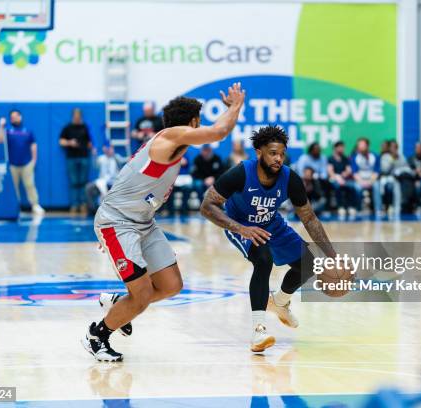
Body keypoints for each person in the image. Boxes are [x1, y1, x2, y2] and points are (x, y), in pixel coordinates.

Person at [82, 82, 246, 362]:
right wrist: (235, 106)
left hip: (142, 221)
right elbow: (219, 132)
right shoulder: (171, 137)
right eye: (199, 122)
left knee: (171, 285)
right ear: (192, 122)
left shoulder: (171, 143)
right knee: (142, 295)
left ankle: (118, 302)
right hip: (118, 223)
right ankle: (98, 334)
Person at [200, 125, 339, 352]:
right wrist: (241, 229)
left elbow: (309, 218)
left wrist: (333, 256)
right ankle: (258, 331)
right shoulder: (241, 173)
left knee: (310, 264)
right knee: (263, 260)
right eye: (273, 153)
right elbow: (207, 206)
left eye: (282, 154)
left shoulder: (290, 178)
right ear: (259, 153)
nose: (278, 159)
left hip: (272, 224)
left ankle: (281, 302)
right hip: (240, 225)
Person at [0, 109, 45, 215]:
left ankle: (35, 205)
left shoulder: (28, 131)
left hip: (27, 163)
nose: (14, 118)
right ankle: (16, 206)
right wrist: (1, 126)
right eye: (12, 117)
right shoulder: (8, 130)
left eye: (16, 116)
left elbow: (33, 145)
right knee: (14, 187)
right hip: (12, 164)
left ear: (20, 117)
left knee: (30, 184)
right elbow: (0, 140)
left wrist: (34, 160)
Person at [59, 108, 93, 214]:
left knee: (83, 182)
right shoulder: (67, 127)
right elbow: (61, 141)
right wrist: (70, 142)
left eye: (79, 115)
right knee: (74, 182)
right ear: (73, 116)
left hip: (84, 157)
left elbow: (89, 141)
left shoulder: (85, 127)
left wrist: (91, 147)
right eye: (76, 115)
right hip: (71, 158)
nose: (77, 117)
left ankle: (83, 204)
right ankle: (74, 205)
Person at [85, 142, 122, 215]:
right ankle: (93, 210)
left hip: (114, 182)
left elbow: (121, 166)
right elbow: (95, 165)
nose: (108, 150)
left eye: (110, 148)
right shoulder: (101, 158)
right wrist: (94, 155)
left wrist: (113, 154)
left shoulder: (117, 157)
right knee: (88, 187)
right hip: (102, 182)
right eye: (107, 148)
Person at [351, 137, 382, 215]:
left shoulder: (375, 156)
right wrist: (362, 182)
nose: (360, 147)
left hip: (372, 179)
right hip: (360, 180)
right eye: (359, 145)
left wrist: (370, 182)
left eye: (362, 145)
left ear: (367, 146)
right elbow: (355, 173)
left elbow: (376, 172)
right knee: (357, 187)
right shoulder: (354, 157)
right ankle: (359, 209)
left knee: (377, 186)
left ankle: (378, 209)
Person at [327, 141, 356, 217]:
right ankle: (340, 207)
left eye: (343, 147)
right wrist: (337, 178)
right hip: (334, 179)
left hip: (344, 179)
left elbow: (348, 170)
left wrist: (343, 175)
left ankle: (350, 206)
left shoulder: (345, 158)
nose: (342, 149)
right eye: (340, 147)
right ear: (335, 148)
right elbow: (330, 171)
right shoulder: (331, 158)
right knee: (337, 186)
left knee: (351, 186)